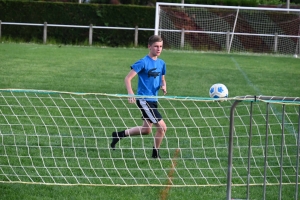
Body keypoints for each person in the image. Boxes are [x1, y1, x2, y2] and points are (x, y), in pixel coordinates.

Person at [110, 35, 167, 159]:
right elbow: (128, 78)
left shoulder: (162, 63)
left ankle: (118, 135)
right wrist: (131, 93)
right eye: (156, 46)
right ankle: (155, 155)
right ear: (149, 46)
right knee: (162, 128)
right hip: (144, 100)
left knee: (146, 130)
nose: (159, 49)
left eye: (161, 46)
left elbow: (162, 79)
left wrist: (164, 86)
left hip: (154, 100)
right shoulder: (143, 62)